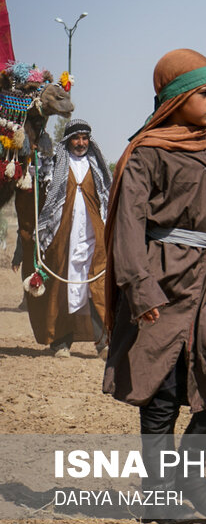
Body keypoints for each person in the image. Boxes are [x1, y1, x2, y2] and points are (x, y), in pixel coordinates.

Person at [103, 49, 206, 524]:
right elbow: (129, 225)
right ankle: (158, 494)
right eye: (205, 94)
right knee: (162, 392)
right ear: (176, 98)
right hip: (161, 277)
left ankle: (186, 474)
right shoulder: (146, 151)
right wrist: (140, 290)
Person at [26, 119, 111, 358]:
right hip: (63, 235)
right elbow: (36, 178)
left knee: (96, 285)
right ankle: (61, 342)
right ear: (68, 140)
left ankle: (102, 342)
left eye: (85, 138)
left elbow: (106, 198)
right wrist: (32, 160)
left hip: (94, 236)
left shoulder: (98, 167)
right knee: (61, 285)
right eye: (76, 138)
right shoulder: (55, 165)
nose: (81, 143)